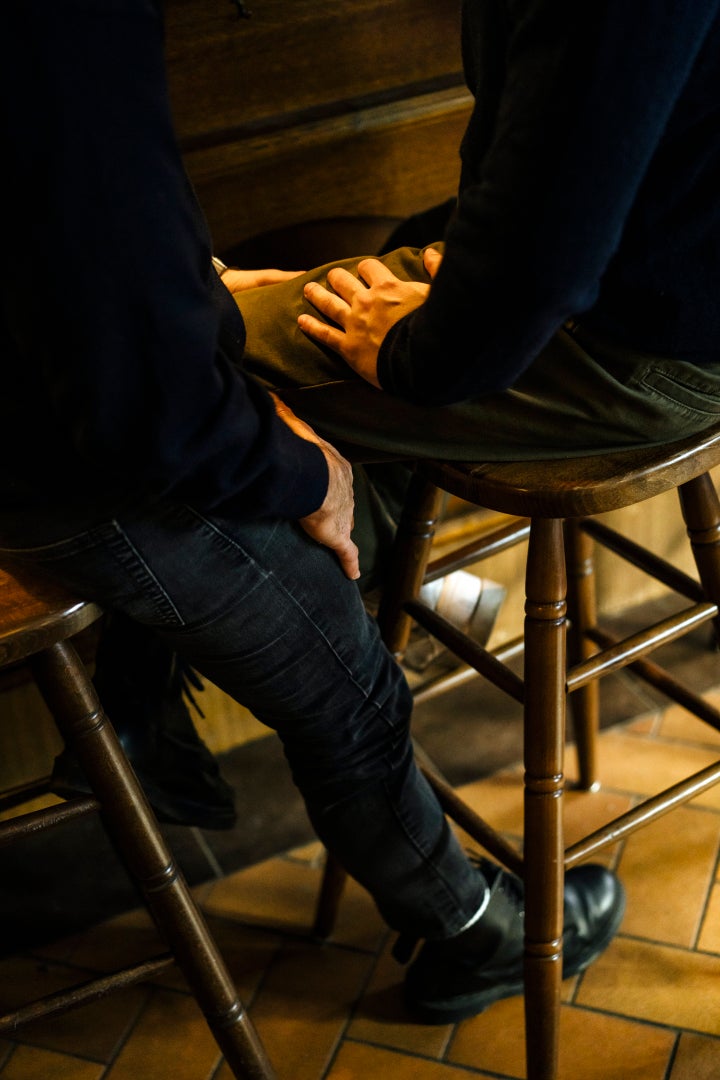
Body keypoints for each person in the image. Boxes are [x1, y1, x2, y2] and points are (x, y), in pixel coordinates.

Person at [0, 0, 626, 1027]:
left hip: (64, 412)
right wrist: (300, 474)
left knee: (309, 370)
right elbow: (149, 416)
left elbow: (93, 273)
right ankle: (471, 934)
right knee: (354, 686)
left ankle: (158, 699)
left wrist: (197, 301)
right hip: (63, 475)